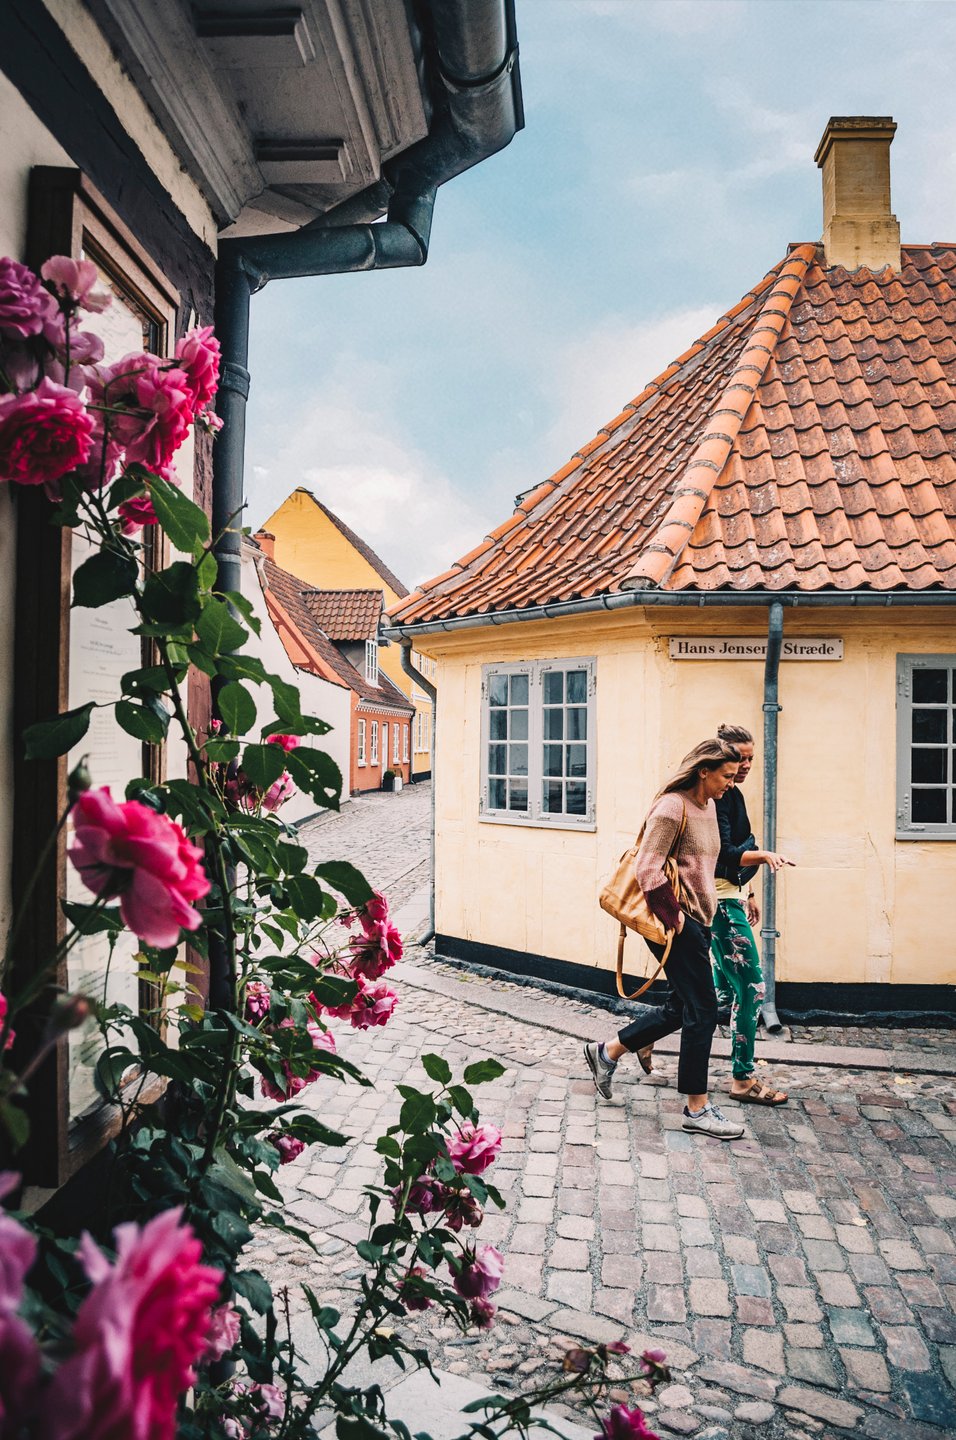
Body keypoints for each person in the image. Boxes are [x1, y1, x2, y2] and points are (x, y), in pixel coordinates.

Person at [585, 739, 745, 1140]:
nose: (732, 781)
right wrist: (677, 921)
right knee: (703, 1010)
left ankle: (607, 1052)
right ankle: (696, 1108)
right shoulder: (672, 807)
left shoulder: (707, 807)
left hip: (699, 920)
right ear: (704, 770)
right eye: (727, 774)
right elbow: (647, 869)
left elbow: (708, 864)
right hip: (678, 923)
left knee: (681, 1006)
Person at [711, 722, 794, 1106]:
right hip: (719, 906)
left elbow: (742, 845)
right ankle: (742, 1079)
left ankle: (638, 1040)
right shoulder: (714, 799)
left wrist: (750, 893)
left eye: (750, 759)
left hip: (733, 898)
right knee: (752, 988)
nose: (744, 766)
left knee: (722, 995)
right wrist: (759, 856)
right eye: (738, 759)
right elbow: (726, 853)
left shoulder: (734, 795)